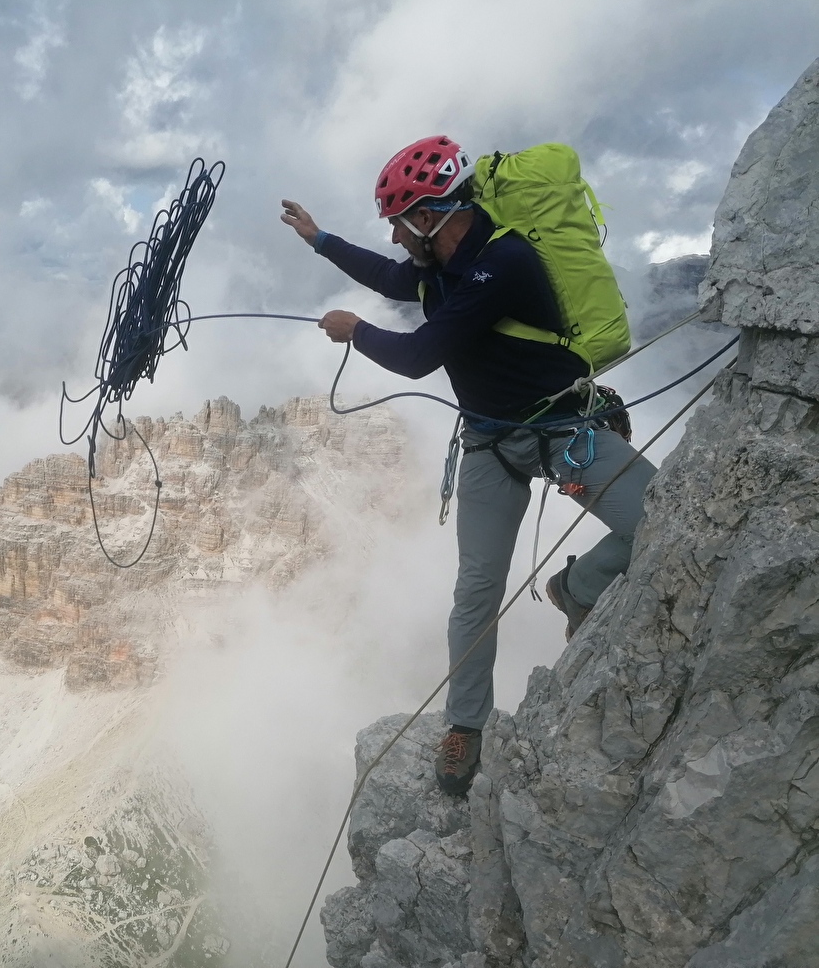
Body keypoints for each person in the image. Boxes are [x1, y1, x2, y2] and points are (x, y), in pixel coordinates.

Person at [281, 135, 656, 796]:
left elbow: (421, 353)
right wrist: (320, 240)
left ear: (428, 216)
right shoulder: (439, 263)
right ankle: (465, 726)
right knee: (476, 593)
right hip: (490, 444)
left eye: (400, 223)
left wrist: (353, 330)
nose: (396, 238)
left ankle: (580, 588)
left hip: (561, 427)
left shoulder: (501, 262)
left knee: (662, 515)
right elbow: (389, 276)